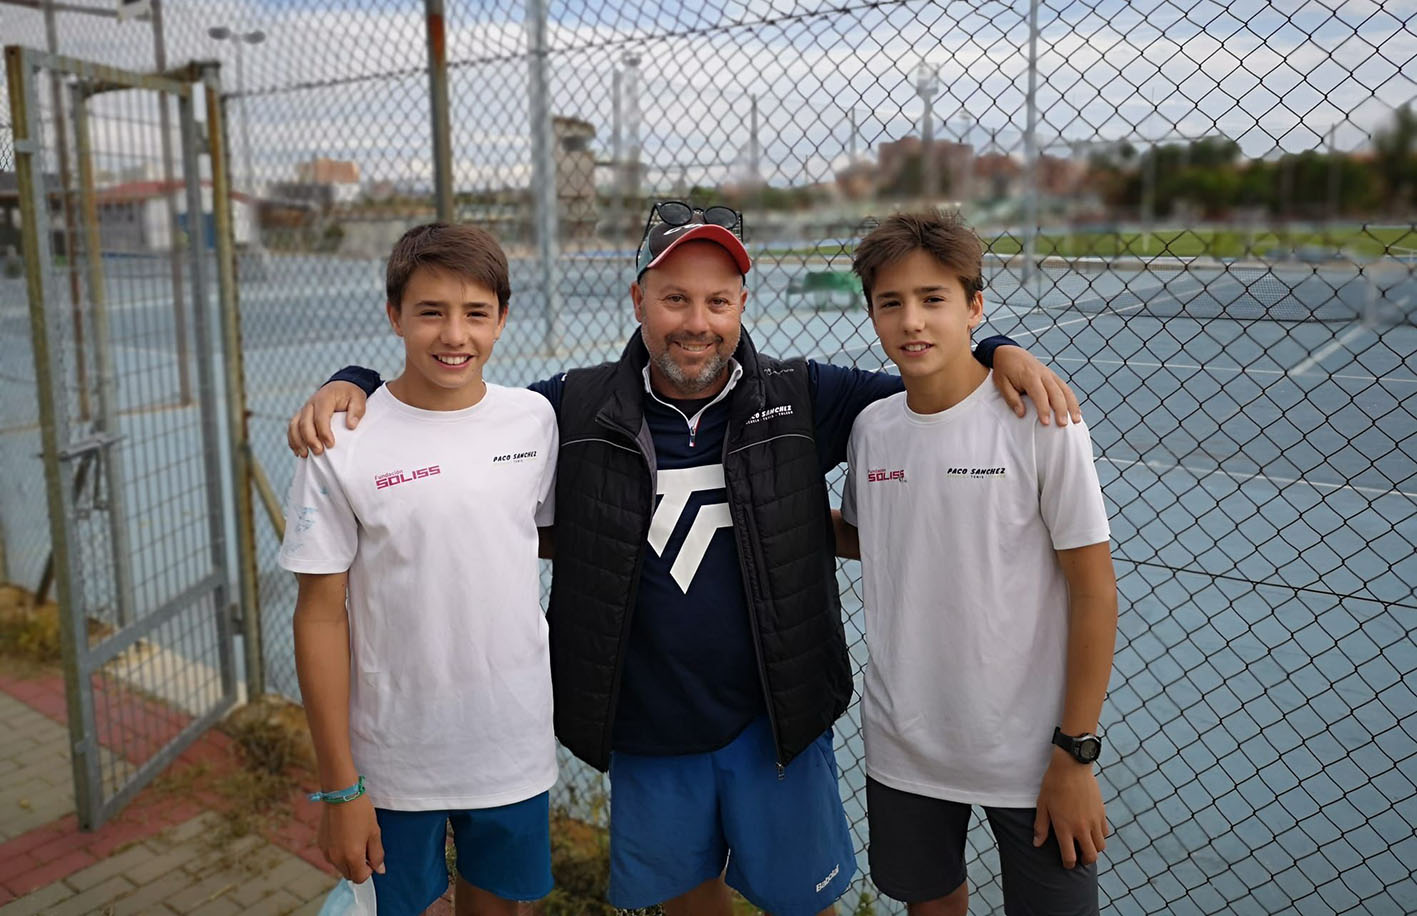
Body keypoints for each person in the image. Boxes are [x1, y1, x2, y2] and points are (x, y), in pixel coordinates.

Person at [287, 201, 1082, 916]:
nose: (694, 321)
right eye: (672, 299)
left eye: (715, 300)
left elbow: (932, 379)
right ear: (638, 302)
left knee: (799, 904)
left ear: (741, 305)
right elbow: (454, 415)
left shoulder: (805, 395)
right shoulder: (568, 404)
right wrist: (353, 382)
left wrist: (1001, 350)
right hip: (646, 724)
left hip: (776, 722)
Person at [834, 209, 1117, 916]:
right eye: (890, 303)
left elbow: (1093, 591)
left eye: (933, 299)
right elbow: (871, 535)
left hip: (1032, 757)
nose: (912, 322)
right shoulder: (872, 430)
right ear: (871, 312)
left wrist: (1075, 753)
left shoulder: (1041, 420)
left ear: (975, 307)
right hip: (904, 746)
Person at [280, 223, 559, 916]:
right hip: (393, 759)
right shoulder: (338, 440)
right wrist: (339, 787)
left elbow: (526, 537)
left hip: (512, 745)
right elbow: (318, 614)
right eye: (430, 312)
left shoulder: (535, 420)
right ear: (393, 316)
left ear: (503, 317)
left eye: (475, 314)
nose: (453, 335)